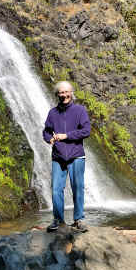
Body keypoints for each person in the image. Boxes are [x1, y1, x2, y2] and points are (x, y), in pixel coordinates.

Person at [43, 81, 91, 232]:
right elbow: (46, 131)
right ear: (57, 94)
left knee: (78, 188)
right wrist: (48, 138)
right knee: (56, 189)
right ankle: (58, 220)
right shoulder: (52, 113)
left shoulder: (80, 110)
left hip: (76, 155)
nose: (64, 95)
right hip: (58, 157)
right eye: (61, 93)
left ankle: (79, 220)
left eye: (66, 92)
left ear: (71, 93)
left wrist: (66, 136)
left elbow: (86, 131)